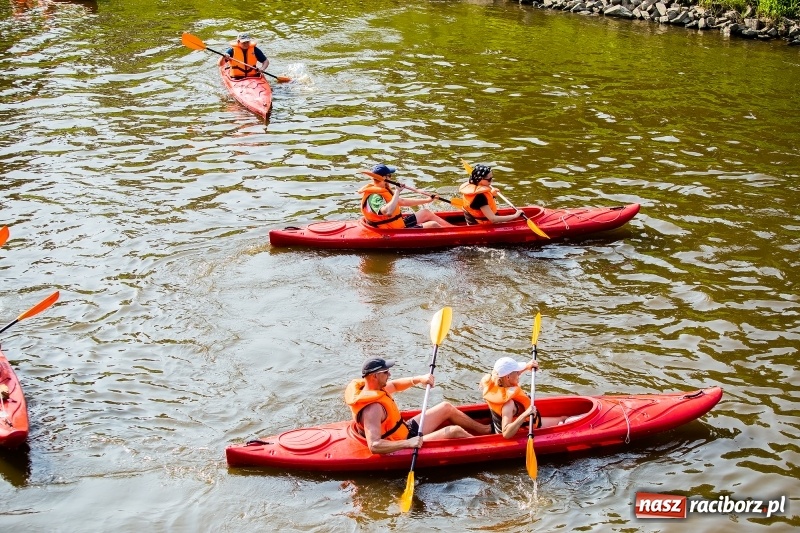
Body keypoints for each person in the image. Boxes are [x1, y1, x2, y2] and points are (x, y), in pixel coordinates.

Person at [345, 357, 491, 454]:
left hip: (404, 430)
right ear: (374, 376)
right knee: (454, 431)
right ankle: (487, 449)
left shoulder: (375, 388)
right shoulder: (373, 409)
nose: (389, 374)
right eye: (385, 372)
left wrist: (419, 379)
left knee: (446, 407)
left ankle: (485, 430)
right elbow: (374, 445)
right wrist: (407, 444)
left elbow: (395, 385)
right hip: (399, 444)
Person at [480, 356, 567, 439]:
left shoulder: (491, 383)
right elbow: (506, 433)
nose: (519, 374)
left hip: (506, 426)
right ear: (508, 377)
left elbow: (508, 377)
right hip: (521, 432)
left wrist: (526, 367)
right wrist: (525, 414)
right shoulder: (508, 404)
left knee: (562, 419)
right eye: (517, 372)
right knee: (563, 420)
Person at [359, 164, 454, 229]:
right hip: (391, 229)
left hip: (397, 223)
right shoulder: (374, 196)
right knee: (433, 225)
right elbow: (388, 212)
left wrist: (427, 200)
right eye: (390, 175)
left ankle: (454, 229)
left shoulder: (384, 189)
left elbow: (402, 202)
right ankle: (455, 235)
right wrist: (397, 191)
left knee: (426, 212)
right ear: (384, 178)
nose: (391, 178)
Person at [459, 164, 524, 224]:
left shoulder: (472, 187)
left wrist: (492, 194)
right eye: (489, 179)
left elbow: (476, 205)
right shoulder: (480, 197)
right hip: (482, 226)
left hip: (472, 221)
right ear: (481, 180)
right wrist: (515, 216)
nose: (491, 181)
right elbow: (493, 219)